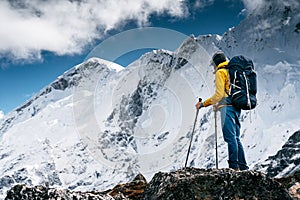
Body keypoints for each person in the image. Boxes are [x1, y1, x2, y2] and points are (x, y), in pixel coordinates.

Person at [196, 51, 249, 170]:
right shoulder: (232, 71)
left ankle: (233, 167)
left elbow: (219, 95)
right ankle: (243, 166)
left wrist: (203, 104)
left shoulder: (221, 72)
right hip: (236, 106)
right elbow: (227, 92)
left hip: (227, 108)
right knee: (236, 138)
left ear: (215, 63)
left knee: (230, 138)